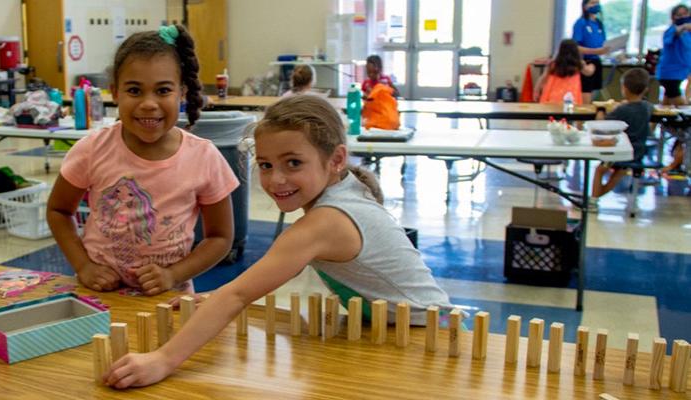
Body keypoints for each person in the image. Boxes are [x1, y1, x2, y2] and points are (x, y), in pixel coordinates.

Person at [103, 95, 452, 388]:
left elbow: (239, 293)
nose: (276, 179)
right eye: (266, 165)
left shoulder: (327, 221)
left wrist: (163, 359)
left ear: (337, 160)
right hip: (396, 335)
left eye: (293, 163)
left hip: (432, 340)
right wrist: (214, 299)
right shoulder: (342, 194)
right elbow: (262, 280)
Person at [46, 26, 239, 296]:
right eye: (135, 90)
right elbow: (58, 211)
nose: (149, 103)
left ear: (181, 92)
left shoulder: (204, 157)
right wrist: (84, 266)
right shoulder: (92, 149)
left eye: (163, 90)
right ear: (115, 92)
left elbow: (220, 238)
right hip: (100, 295)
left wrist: (173, 275)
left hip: (168, 299)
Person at [590, 68, 652, 211]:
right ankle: (595, 198)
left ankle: (593, 200)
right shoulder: (647, 107)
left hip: (619, 151)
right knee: (619, 171)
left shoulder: (622, 110)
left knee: (600, 170)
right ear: (645, 90)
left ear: (624, 88)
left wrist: (600, 111)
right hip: (638, 151)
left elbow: (601, 125)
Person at [533, 39, 596, 104]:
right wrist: (592, 66)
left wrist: (536, 91)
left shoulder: (553, 64)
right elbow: (589, 72)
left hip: (554, 96)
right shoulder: (578, 64)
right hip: (571, 96)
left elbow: (543, 78)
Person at [573, 0, 611, 104]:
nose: (596, 5)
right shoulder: (581, 23)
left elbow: (603, 43)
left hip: (597, 61)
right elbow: (576, 46)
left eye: (597, 2)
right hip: (585, 61)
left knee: (595, 93)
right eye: (592, 3)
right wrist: (595, 51)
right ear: (585, 6)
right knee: (586, 93)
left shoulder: (599, 23)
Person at [656, 4, 691, 107]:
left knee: (665, 106)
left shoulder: (688, 34)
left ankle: (652, 123)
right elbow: (672, 36)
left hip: (682, 73)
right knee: (682, 107)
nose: (682, 17)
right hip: (669, 75)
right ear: (673, 17)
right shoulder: (671, 31)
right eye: (679, 15)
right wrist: (683, 27)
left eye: (685, 14)